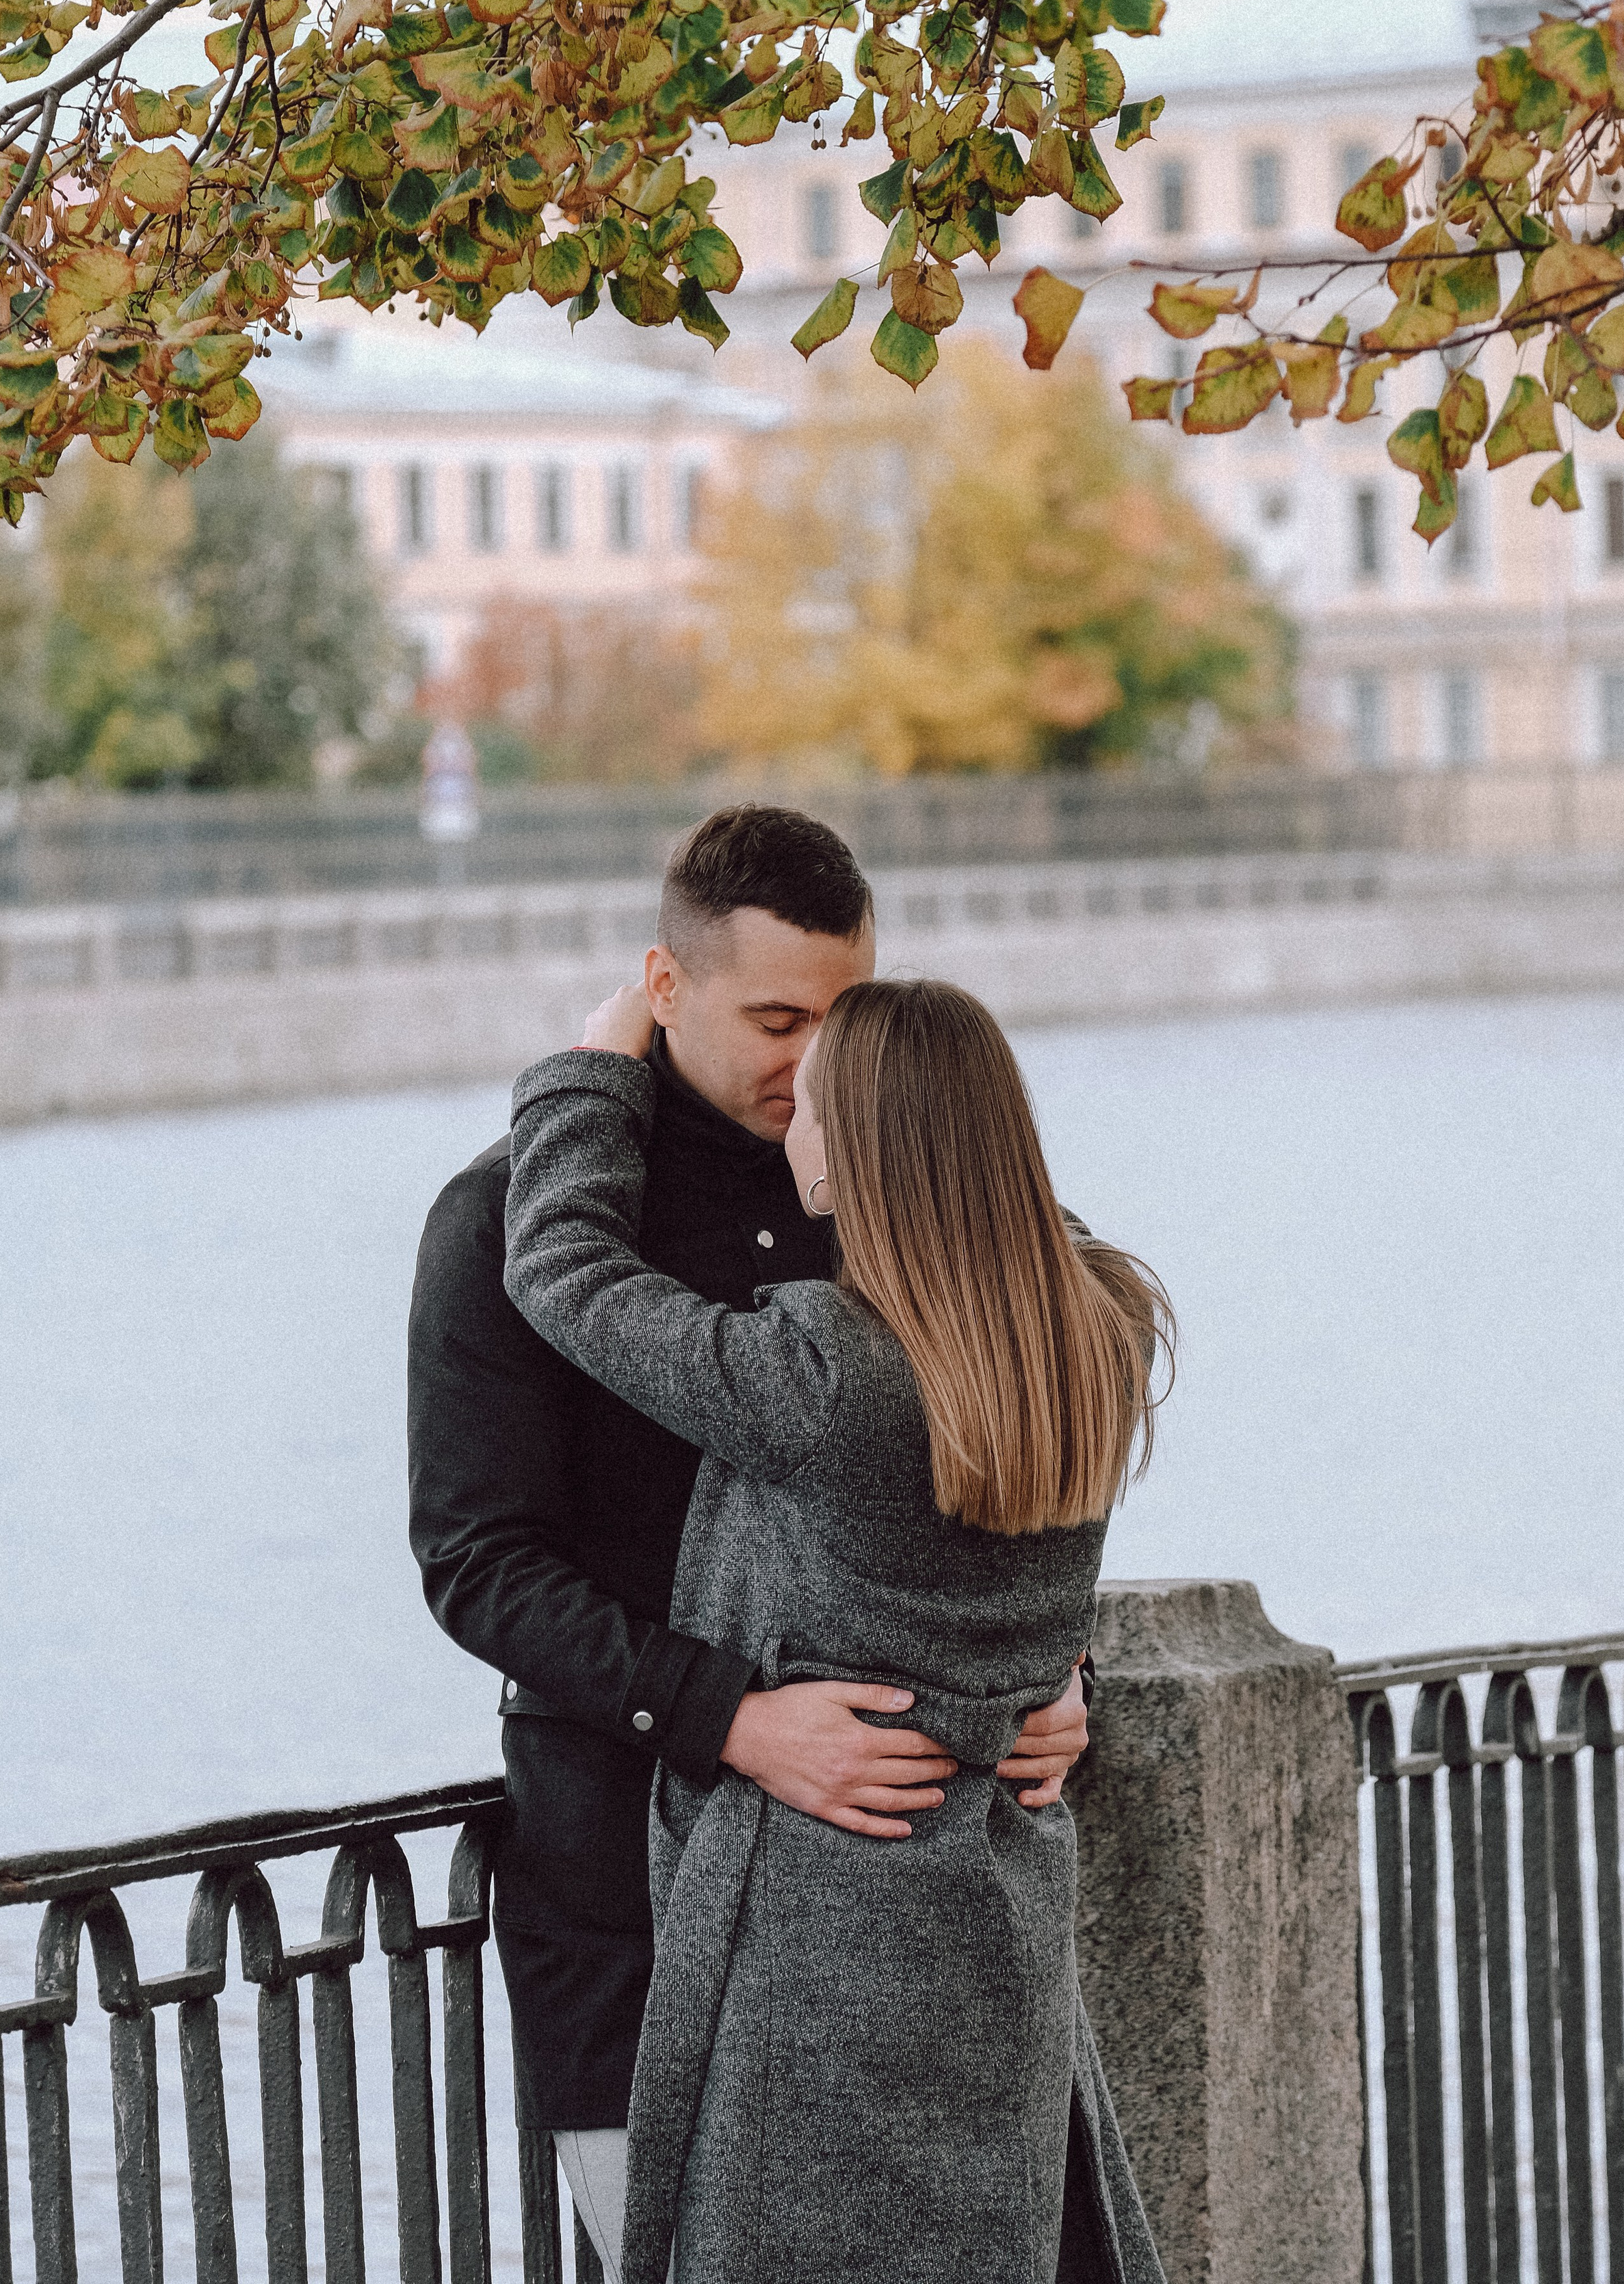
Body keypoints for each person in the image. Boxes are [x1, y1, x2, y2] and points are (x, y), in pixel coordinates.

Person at [406, 810, 1092, 2233]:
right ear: (666, 987)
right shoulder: (506, 1217)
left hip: (930, 1913)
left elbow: (1021, 1454)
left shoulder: (907, 1197)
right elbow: (479, 1568)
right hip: (628, 1891)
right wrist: (729, 1717)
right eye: (778, 1018)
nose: (816, 1063)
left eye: (846, 1023)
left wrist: (1062, 1676)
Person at [503, 973, 1175, 2284]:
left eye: (815, 1107)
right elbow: (1020, 1239)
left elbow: (563, 1268)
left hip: (820, 1935)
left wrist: (592, 1072)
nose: (790, 1132)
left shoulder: (821, 1371)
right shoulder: (1101, 1325)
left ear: (861, 1145)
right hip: (1001, 1907)